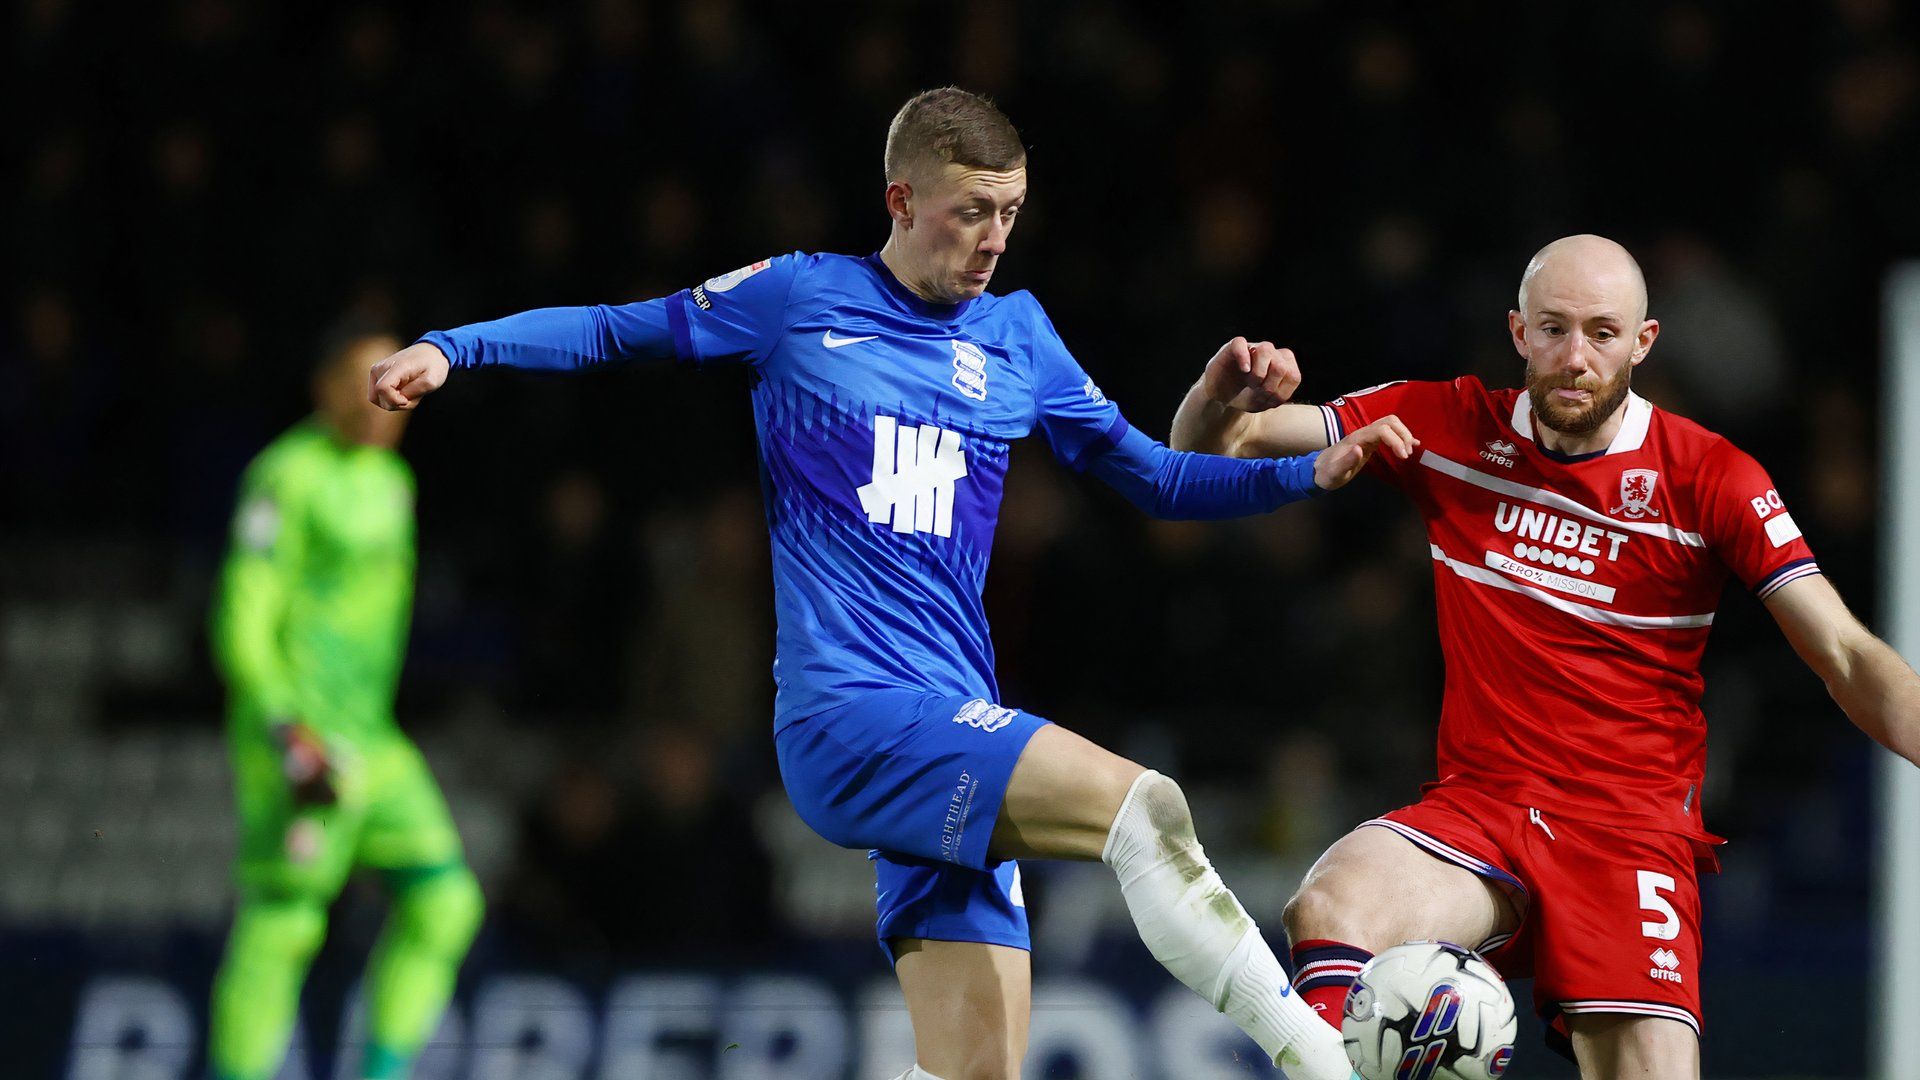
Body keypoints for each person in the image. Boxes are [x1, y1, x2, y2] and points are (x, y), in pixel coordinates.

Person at [369, 87, 1406, 1079]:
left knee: (974, 1073)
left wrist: (1301, 473)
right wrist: (452, 349)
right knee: (1144, 806)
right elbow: (608, 327)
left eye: (1011, 212)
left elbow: (1160, 480)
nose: (996, 238)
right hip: (850, 717)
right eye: (973, 213)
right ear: (901, 202)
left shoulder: (1019, 337)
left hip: (951, 723)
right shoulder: (800, 298)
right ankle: (1323, 1062)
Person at [1171, 234, 1920, 1078]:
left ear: (1642, 344)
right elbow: (1207, 449)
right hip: (1482, 812)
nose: (1576, 357)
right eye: (1554, 329)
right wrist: (1219, 393)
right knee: (1332, 900)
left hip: (1627, 838)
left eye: (1603, 333)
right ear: (1518, 333)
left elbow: (1848, 657)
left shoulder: (1712, 477)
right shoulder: (1445, 424)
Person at [209, 324, 484, 1080]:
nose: (383, 401)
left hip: (374, 740)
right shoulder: (287, 477)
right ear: (323, 386)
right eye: (364, 381)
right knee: (284, 921)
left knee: (447, 901)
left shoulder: (393, 483)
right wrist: (281, 725)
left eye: (398, 385)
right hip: (301, 734)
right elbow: (243, 615)